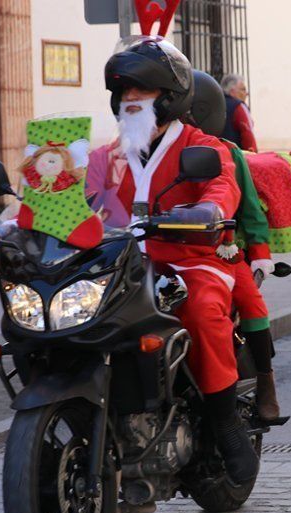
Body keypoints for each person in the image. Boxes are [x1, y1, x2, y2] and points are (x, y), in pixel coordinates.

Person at [102, 36, 258, 484]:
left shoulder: (202, 145)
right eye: (124, 92)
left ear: (170, 98)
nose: (129, 99)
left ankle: (227, 425)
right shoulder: (111, 153)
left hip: (189, 259)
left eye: (140, 91)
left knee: (204, 311)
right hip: (121, 263)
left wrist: (210, 209)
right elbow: (80, 194)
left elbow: (222, 185)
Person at [186, 69, 281, 422]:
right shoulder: (142, 152)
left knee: (252, 302)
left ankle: (267, 384)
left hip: (220, 253)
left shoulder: (229, 153)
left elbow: (251, 212)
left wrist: (260, 256)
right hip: (161, 256)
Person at [220, 74, 258, 153]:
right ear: (232, 91)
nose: (246, 93)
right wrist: (253, 154)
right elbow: (247, 134)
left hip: (218, 154)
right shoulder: (239, 106)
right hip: (236, 156)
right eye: (243, 89)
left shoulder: (215, 104)